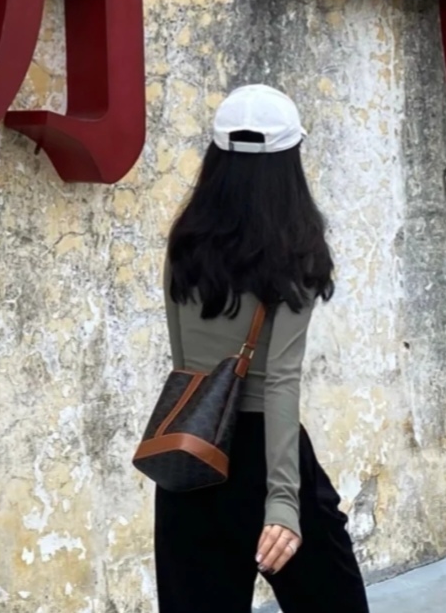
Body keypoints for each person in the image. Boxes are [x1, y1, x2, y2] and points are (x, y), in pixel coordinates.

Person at [154, 84, 369, 613]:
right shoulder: (297, 250)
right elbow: (279, 381)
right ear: (290, 161)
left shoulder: (185, 243)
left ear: (216, 157)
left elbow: (186, 366)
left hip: (192, 451)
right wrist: (283, 503)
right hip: (268, 458)